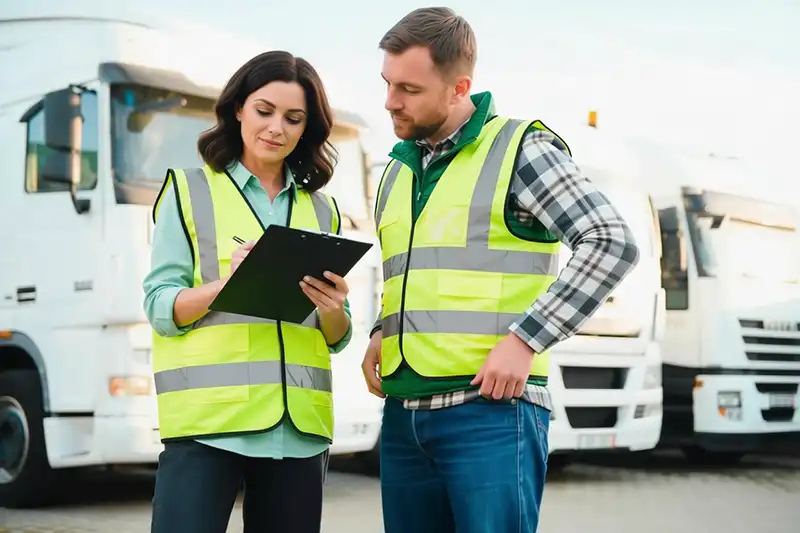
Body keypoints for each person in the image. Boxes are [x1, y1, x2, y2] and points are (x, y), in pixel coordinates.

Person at [361, 7, 641, 533]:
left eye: (409, 89)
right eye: (387, 83)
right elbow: (411, 272)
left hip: (489, 414)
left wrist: (526, 340)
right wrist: (382, 328)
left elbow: (612, 243)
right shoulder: (397, 170)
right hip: (403, 416)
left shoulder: (520, 150)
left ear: (457, 87)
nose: (390, 101)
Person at [143, 50, 353, 533]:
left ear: (307, 129)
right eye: (264, 110)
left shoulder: (325, 212)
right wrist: (225, 287)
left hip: (299, 433)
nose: (276, 127)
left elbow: (337, 336)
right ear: (238, 108)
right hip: (208, 425)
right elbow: (160, 307)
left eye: (293, 118)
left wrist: (334, 308)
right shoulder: (188, 191)